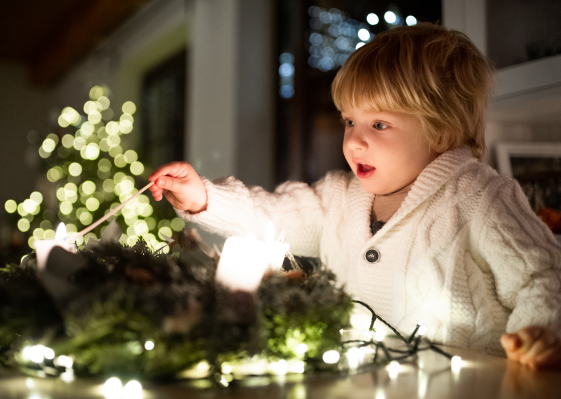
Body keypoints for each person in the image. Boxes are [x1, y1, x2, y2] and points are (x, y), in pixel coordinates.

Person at [148, 23, 561, 369]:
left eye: (379, 124)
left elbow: (542, 277)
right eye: (349, 120)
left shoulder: (478, 196)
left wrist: (539, 333)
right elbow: (271, 214)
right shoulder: (339, 198)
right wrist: (204, 196)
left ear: (442, 131)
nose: (354, 141)